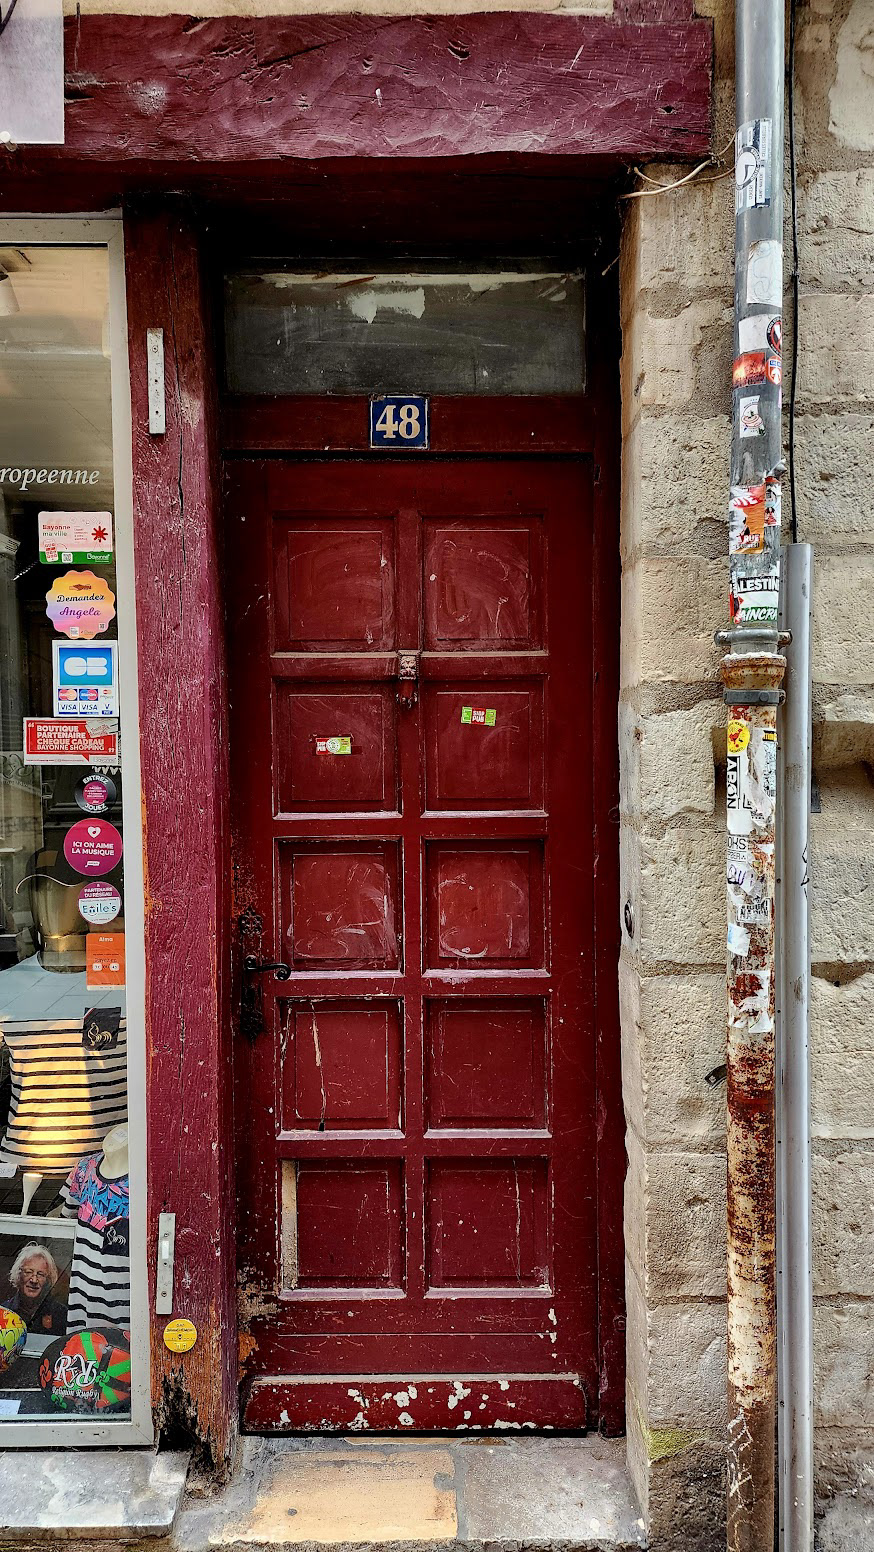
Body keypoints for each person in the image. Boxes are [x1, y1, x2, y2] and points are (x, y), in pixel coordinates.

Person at [6, 1243, 66, 1335]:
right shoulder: (4, 1312)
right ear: (18, 1275)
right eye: (28, 1272)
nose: (34, 1280)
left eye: (40, 1274)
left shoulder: (61, 1314)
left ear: (48, 1279)